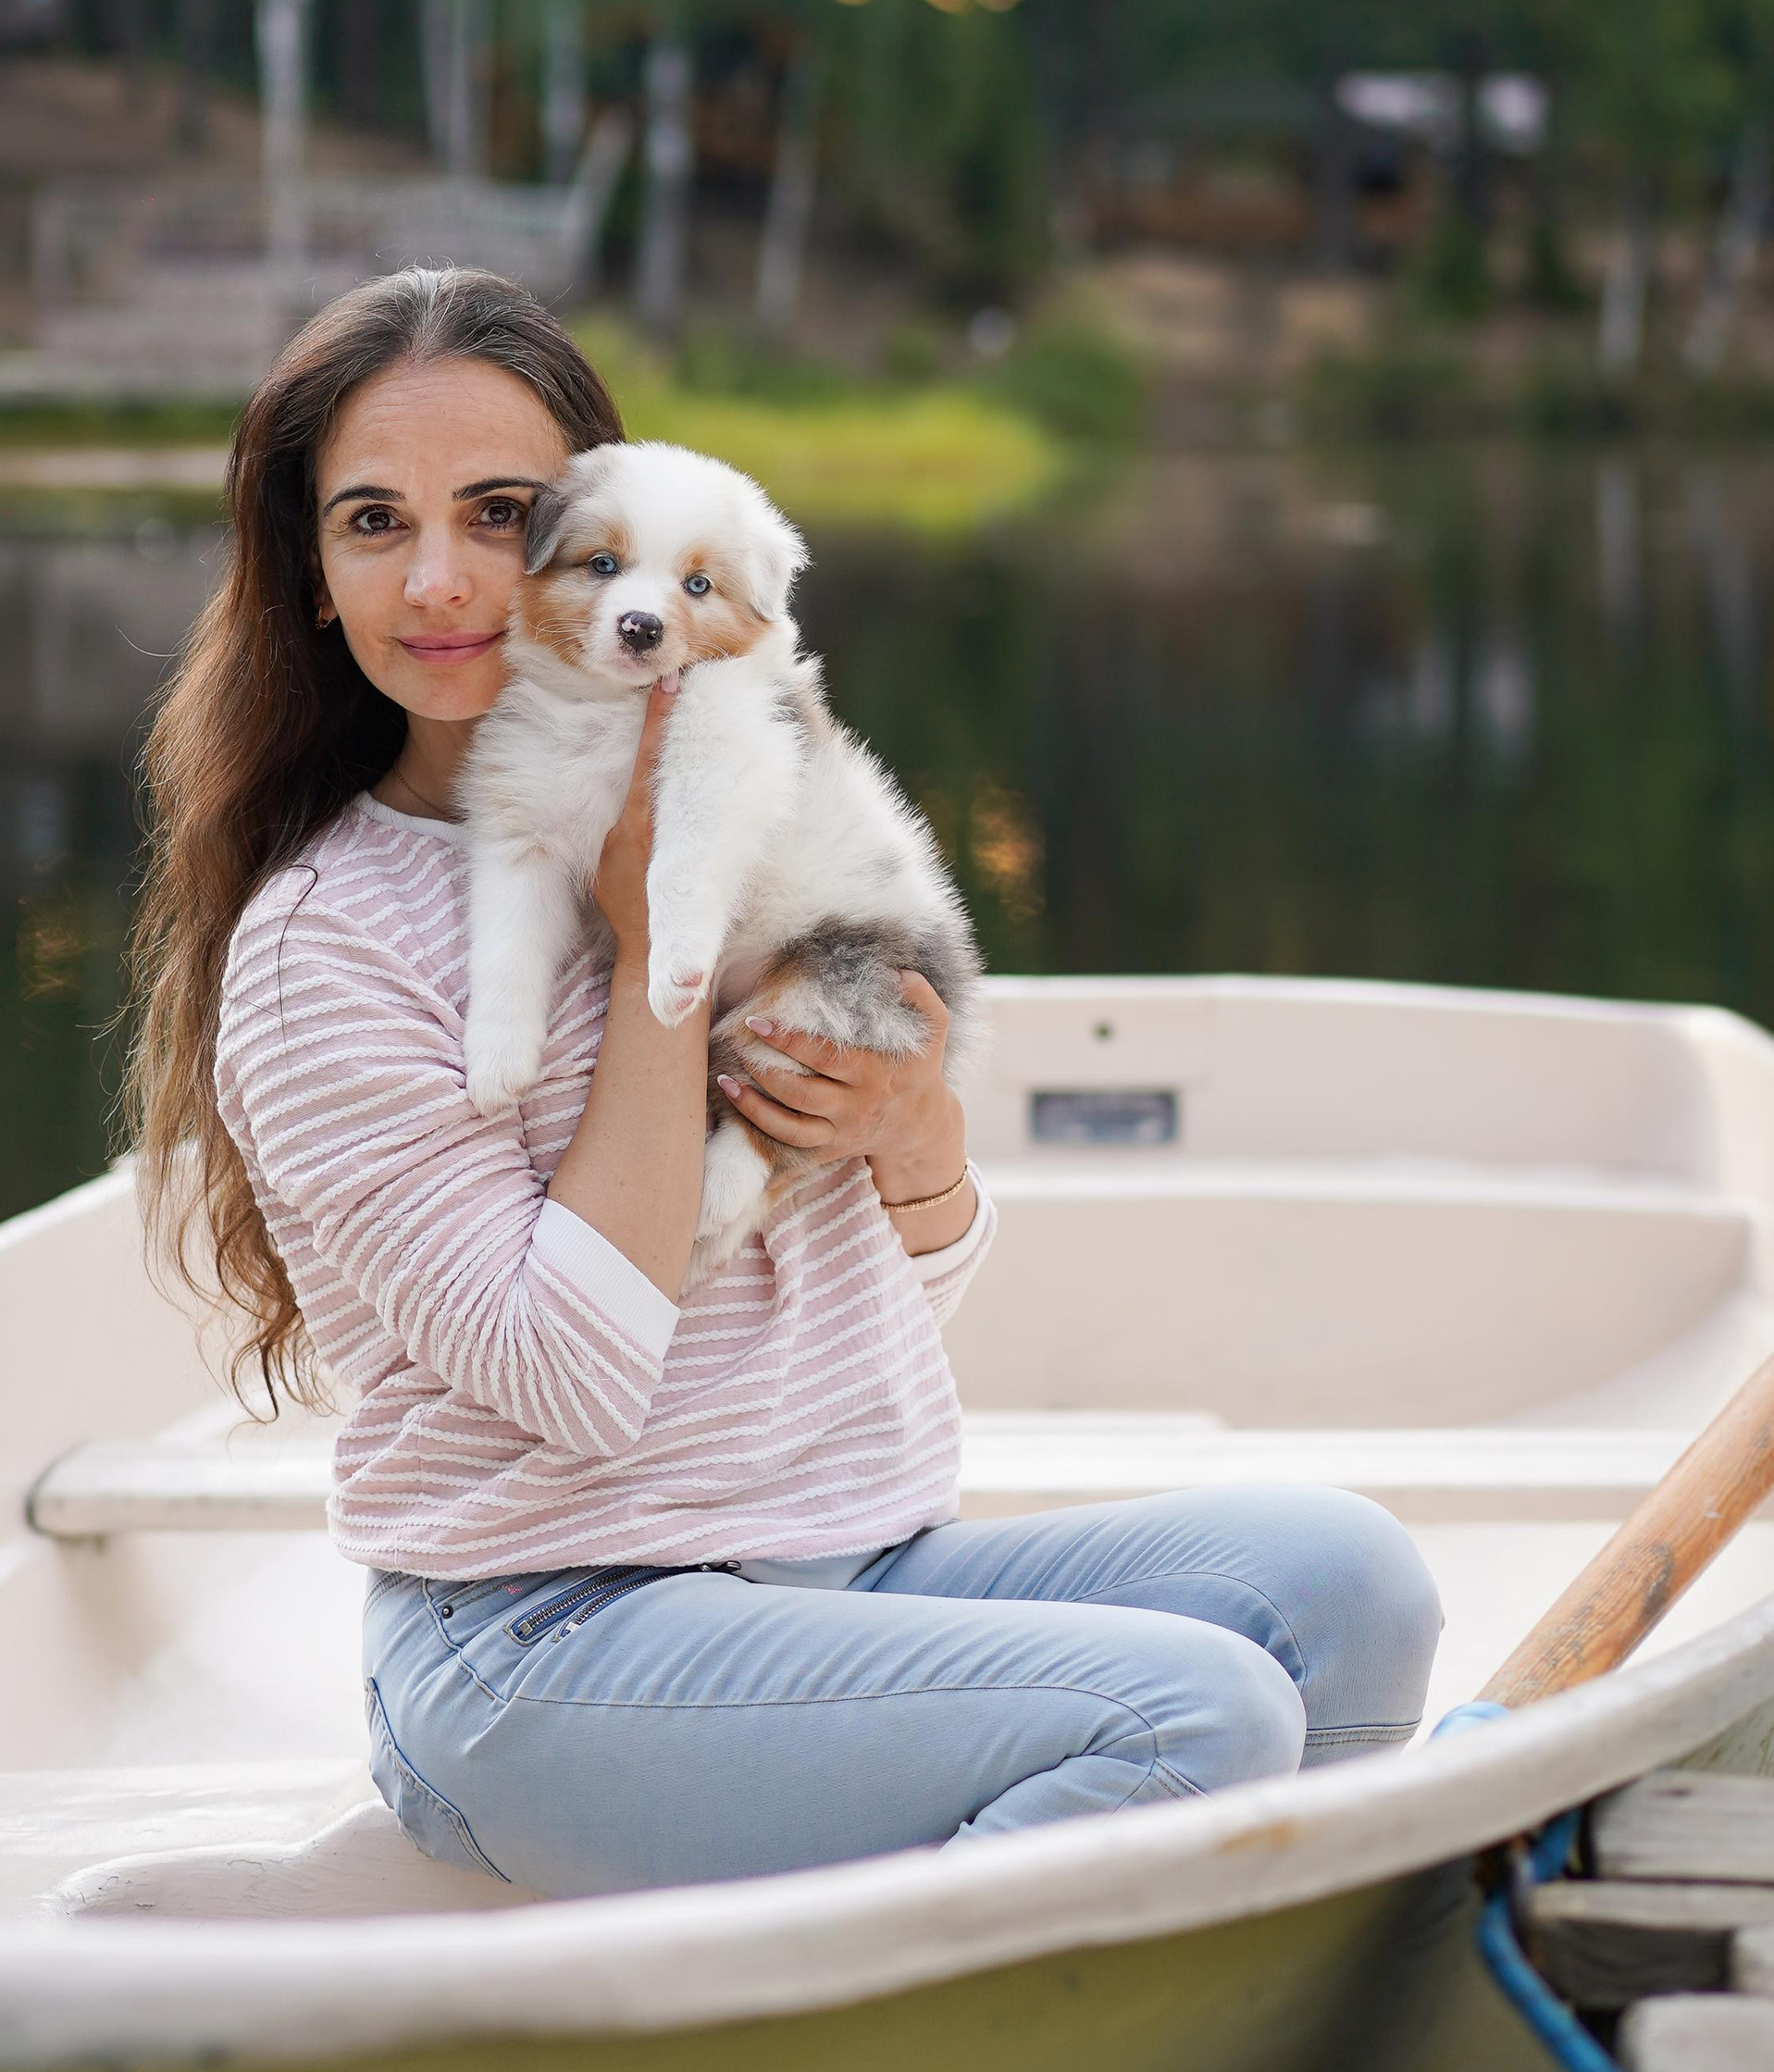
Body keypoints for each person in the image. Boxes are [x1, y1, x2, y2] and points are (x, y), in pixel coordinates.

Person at [126, 267, 1442, 1897]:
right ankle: (922, 2000)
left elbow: (864, 1300)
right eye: (375, 523)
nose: (443, 578)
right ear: (315, 576)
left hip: (847, 1567)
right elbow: (575, 1377)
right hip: (548, 1639)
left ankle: (1092, 1920)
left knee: (1354, 1587)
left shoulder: (755, 764)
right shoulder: (326, 947)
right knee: (1201, 1710)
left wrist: (914, 1138)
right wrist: (655, 954)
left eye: (500, 514)